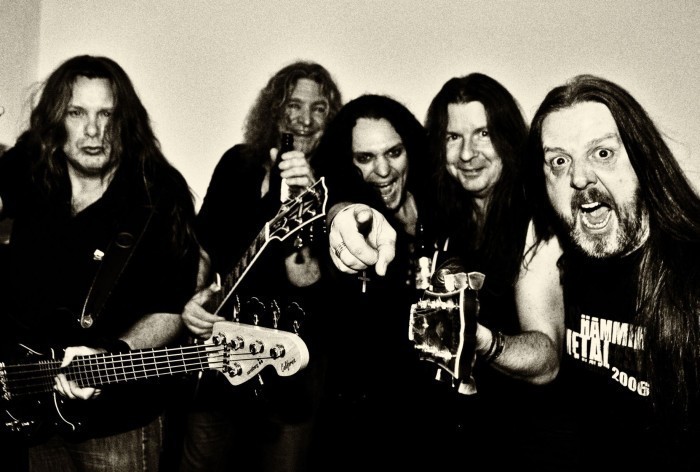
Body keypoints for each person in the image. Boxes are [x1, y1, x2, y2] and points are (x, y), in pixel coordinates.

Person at [326, 74, 564, 468]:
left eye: (482, 133)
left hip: (522, 443)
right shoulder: (447, 211)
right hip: (452, 438)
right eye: (454, 137)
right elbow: (343, 196)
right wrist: (340, 213)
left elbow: (548, 360)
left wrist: (480, 339)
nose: (468, 153)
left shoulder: (535, 220)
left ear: (506, 137)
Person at [0, 55, 200, 471]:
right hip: (26, 405)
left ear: (125, 121)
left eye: (106, 114)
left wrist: (109, 355)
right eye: (77, 113)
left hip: (117, 422)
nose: (94, 130)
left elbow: (171, 309)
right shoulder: (30, 168)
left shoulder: (159, 194)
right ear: (56, 120)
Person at [523, 74, 700, 470]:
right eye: (559, 161)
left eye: (602, 153)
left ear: (643, 160)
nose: (579, 177)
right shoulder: (565, 262)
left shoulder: (691, 274)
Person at [179, 60, 342, 472]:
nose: (305, 119)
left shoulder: (334, 183)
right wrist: (194, 300)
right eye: (294, 105)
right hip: (218, 353)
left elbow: (305, 274)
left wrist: (305, 198)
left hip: (290, 367)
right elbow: (203, 247)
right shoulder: (237, 163)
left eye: (319, 108)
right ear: (275, 110)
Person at [309, 94, 436, 470]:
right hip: (363, 421)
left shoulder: (440, 206)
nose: (383, 170)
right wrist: (339, 215)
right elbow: (341, 213)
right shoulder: (357, 216)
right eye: (365, 158)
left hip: (434, 414)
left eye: (393, 153)